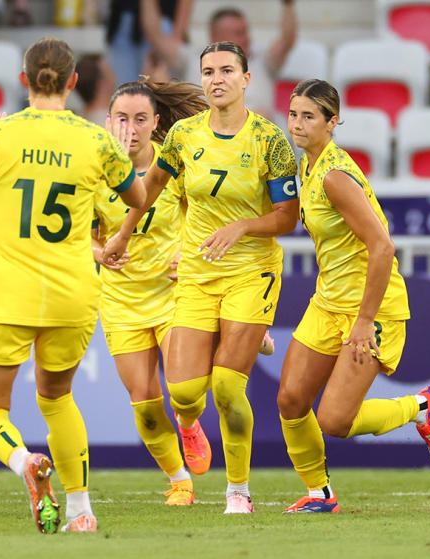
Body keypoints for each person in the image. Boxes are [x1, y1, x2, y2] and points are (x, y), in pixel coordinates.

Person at [0, 37, 145, 534]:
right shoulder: (97, 141)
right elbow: (138, 195)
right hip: (70, 292)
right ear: (74, 82)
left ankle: (25, 464)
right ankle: (82, 512)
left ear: (23, 80)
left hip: (3, 291)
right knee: (57, 398)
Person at [103, 41, 299, 514]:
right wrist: (123, 235)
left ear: (246, 79)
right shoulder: (184, 136)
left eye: (227, 70)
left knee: (229, 388)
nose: (216, 79)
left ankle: (238, 492)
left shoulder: (270, 141)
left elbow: (288, 218)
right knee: (185, 393)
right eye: (209, 71)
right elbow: (148, 190)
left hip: (252, 272)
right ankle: (234, 345)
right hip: (196, 274)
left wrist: (243, 227)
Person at [278, 79, 430, 514]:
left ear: (333, 122)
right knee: (291, 399)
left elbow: (383, 247)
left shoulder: (334, 176)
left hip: (370, 310)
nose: (297, 124)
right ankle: (320, 495)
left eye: (309, 116)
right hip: (328, 301)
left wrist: (362, 321)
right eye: (294, 113)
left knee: (335, 421)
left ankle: (422, 405)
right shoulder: (308, 165)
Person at [92, 77, 206, 505]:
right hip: (121, 301)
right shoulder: (94, 172)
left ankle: (190, 421)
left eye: (141, 119)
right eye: (122, 118)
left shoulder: (172, 166)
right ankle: (179, 481)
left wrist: (190, 254)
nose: (131, 128)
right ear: (108, 122)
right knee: (143, 399)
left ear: (156, 122)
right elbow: (78, 234)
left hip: (174, 293)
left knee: (183, 388)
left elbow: (206, 217)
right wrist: (99, 253)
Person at [205, 2, 297, 118]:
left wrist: (287, 4)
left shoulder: (263, 60)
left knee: (260, 114)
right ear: (216, 37)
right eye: (239, 33)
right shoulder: (192, 61)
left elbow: (286, 41)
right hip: (208, 130)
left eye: (246, 32)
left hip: (257, 131)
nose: (247, 38)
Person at [74, 53, 116, 126]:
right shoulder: (115, 126)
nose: (114, 80)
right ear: (101, 84)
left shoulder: (76, 121)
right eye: (111, 73)